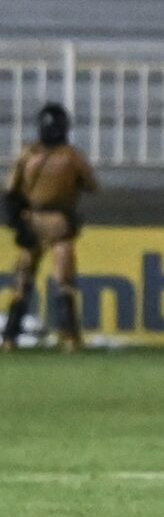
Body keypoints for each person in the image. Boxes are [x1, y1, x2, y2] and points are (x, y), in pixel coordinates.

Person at [4, 103, 97, 351]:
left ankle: (10, 338)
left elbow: (10, 191)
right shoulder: (73, 157)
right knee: (64, 280)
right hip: (59, 223)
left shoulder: (27, 154)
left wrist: (17, 223)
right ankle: (70, 337)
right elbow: (91, 185)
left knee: (22, 281)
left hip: (31, 221)